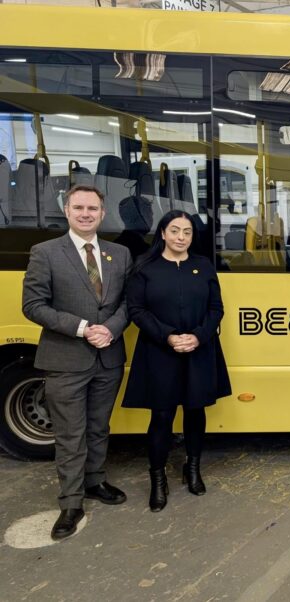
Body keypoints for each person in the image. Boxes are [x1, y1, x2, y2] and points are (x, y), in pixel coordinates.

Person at [22, 185, 132, 540]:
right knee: (70, 433)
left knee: (98, 427)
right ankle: (71, 502)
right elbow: (33, 305)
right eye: (79, 208)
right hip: (65, 357)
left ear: (102, 213)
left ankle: (95, 481)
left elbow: (128, 303)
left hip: (108, 356)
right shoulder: (45, 252)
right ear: (67, 211)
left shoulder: (120, 254)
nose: (86, 214)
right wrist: (84, 328)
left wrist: (110, 329)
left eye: (92, 208)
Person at [122, 210, 231, 512]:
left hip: (199, 349)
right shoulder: (145, 267)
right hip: (159, 351)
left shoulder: (203, 266)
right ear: (162, 233)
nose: (181, 237)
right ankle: (158, 479)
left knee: (195, 411)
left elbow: (216, 309)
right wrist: (169, 336)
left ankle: (192, 469)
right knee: (161, 416)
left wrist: (198, 336)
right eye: (174, 230)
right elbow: (136, 310)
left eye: (187, 232)